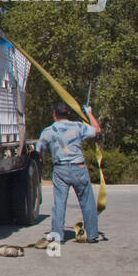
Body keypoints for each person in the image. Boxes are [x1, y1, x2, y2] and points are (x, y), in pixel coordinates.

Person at [35, 101, 101, 244]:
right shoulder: (78, 126)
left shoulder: (49, 130)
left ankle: (58, 235)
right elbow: (97, 130)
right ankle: (92, 235)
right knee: (87, 201)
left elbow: (38, 148)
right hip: (79, 167)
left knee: (59, 203)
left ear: (54, 115)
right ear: (68, 114)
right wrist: (89, 113)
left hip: (61, 169)